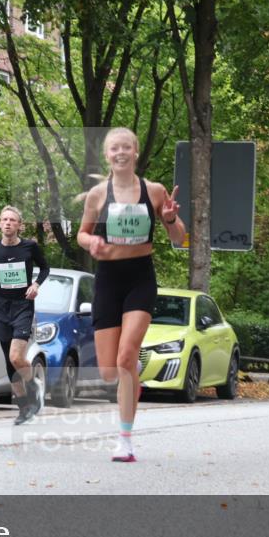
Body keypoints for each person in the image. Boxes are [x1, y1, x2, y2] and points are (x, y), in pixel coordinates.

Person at [77, 127, 185, 462]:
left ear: (135, 152)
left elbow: (179, 238)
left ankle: (125, 440)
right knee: (110, 371)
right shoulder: (97, 195)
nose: (120, 152)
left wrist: (169, 220)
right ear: (107, 155)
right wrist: (91, 241)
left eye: (126, 147)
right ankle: (129, 385)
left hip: (140, 277)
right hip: (108, 280)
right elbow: (82, 233)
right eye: (114, 148)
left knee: (126, 357)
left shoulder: (153, 191)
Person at [0, 205, 50, 425]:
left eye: (12, 220)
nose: (7, 223)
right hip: (2, 308)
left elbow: (44, 268)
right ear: (0, 224)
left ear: (19, 225)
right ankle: (25, 408)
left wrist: (36, 284)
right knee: (8, 362)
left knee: (17, 356)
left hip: (23, 306)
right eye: (4, 219)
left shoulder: (29, 247)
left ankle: (34, 387)